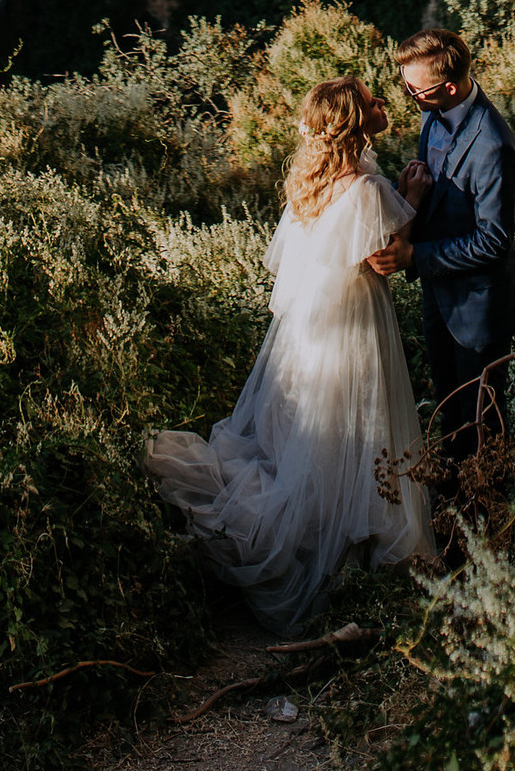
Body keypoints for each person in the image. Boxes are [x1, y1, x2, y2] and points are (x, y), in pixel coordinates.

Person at [145, 76, 436, 631]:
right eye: (373, 100)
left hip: (306, 333)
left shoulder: (312, 184)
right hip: (351, 330)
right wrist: (414, 200)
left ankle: (319, 540)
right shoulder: (368, 188)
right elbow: (380, 259)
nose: (382, 104)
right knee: (352, 433)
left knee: (312, 443)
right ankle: (341, 560)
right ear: (354, 122)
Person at [365, 27, 515, 474]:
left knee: (483, 428)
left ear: (449, 87)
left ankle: (485, 523)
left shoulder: (493, 146)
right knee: (449, 416)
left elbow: (494, 241)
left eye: (415, 88)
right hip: (439, 296)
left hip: (479, 309)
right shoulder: (431, 115)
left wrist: (415, 257)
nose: (408, 94)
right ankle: (453, 504)